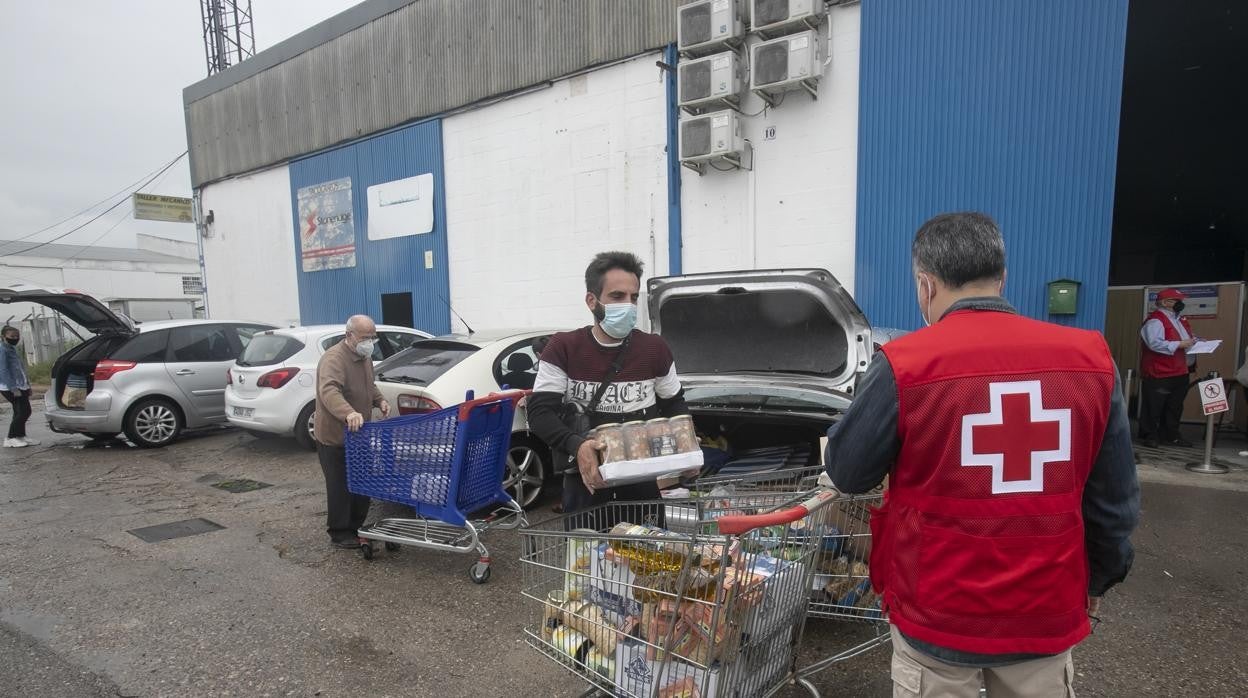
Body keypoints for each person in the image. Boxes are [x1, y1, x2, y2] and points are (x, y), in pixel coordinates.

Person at [824, 212, 1139, 698]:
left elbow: (847, 471)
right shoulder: (1091, 360)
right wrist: (1098, 580)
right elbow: (1114, 501)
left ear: (925, 286)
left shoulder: (906, 364)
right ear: (1002, 279)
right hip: (1045, 611)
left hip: (937, 616)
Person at [528, 251, 689, 515]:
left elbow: (674, 404)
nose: (628, 305)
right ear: (592, 301)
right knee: (586, 556)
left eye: (633, 297)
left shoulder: (654, 348)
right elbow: (540, 412)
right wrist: (577, 445)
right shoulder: (563, 347)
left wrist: (686, 444)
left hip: (642, 484)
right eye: (617, 297)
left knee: (647, 554)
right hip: (586, 483)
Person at [314, 315, 391, 548]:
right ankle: (339, 532)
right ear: (349, 335)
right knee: (340, 487)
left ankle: (356, 526)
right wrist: (348, 413)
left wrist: (380, 400)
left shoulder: (364, 356)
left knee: (361, 483)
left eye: (372, 337)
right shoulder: (334, 359)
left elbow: (369, 384)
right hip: (335, 436)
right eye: (365, 337)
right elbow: (329, 391)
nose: (370, 342)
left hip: (360, 434)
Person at [1138, 288, 1197, 448]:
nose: (1181, 303)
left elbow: (1184, 339)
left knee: (1175, 406)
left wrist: (1194, 342)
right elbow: (1154, 343)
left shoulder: (1180, 320)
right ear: (1165, 302)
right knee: (1154, 406)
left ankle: (1171, 435)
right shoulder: (1155, 321)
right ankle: (1149, 435)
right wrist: (1180, 344)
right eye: (1177, 300)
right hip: (1160, 371)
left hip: (1180, 370)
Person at [0, 326, 37, 448]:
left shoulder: (12, 349)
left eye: (17, 336)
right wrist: (13, 388)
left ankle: (20, 436)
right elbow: (3, 370)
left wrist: (28, 385)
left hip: (21, 384)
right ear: (3, 337)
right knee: (24, 411)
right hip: (9, 386)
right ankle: (10, 438)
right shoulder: (2, 350)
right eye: (12, 337)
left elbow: (20, 368)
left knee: (19, 411)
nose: (15, 339)